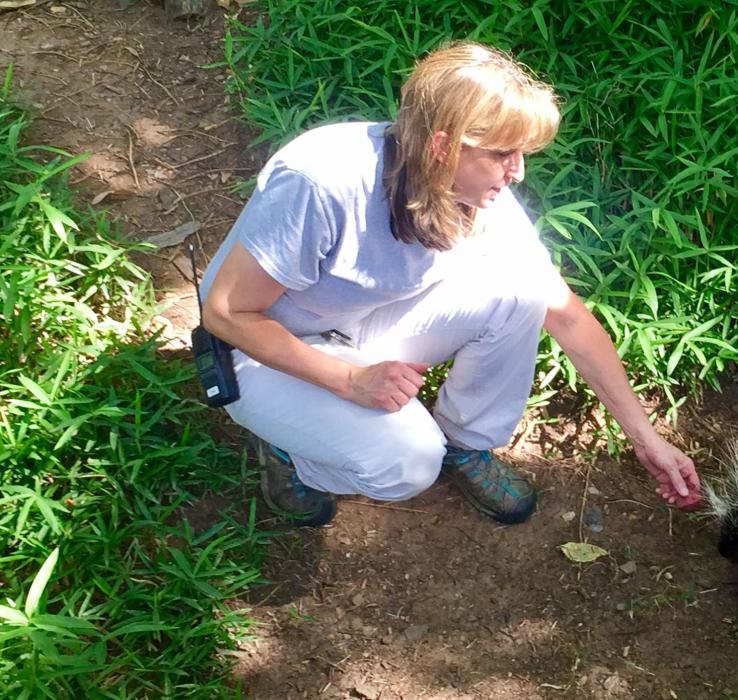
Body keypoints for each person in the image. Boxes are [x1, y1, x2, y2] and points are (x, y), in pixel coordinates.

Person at [200, 41, 701, 527]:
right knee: (409, 463)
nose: (518, 173)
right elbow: (226, 313)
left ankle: (464, 442)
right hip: (258, 345)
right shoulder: (323, 182)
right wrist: (349, 382)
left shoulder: (475, 195)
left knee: (521, 295)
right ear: (443, 145)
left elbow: (565, 313)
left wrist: (645, 438)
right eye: (504, 153)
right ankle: (291, 451)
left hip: (353, 322)